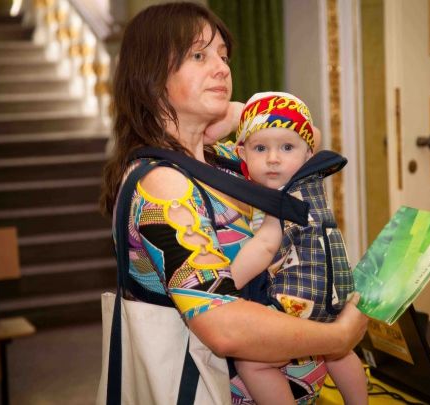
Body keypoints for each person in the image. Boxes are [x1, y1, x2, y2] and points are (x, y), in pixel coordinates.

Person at [99, 2, 368, 404]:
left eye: (223, 57)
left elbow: (301, 135)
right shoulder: (163, 185)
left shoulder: (221, 160)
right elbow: (223, 326)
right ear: (151, 77)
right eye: (199, 55)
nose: (222, 69)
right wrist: (338, 338)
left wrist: (231, 116)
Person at [224, 92, 368, 405]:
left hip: (302, 294)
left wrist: (227, 283)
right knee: (338, 351)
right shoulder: (309, 180)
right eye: (260, 148)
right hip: (337, 291)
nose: (273, 158)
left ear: (308, 153)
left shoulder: (280, 195)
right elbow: (308, 133)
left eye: (286, 148)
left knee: (252, 362)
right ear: (242, 153)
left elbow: (265, 245)